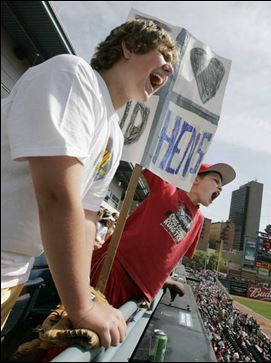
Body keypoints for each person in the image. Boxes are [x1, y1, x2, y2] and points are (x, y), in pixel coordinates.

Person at [1, 19, 179, 348]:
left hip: (14, 269)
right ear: (129, 47)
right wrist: (80, 305)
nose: (168, 70)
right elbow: (56, 194)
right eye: (163, 55)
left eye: (172, 67)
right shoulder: (73, 75)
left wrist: (86, 293)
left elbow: (86, 217)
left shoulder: (115, 134)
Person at [90, 163, 236, 308]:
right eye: (215, 181)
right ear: (196, 179)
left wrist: (164, 280)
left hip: (140, 293)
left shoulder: (199, 220)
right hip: (114, 270)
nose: (220, 188)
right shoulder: (167, 188)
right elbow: (151, 157)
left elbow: (167, 255)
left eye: (221, 186)